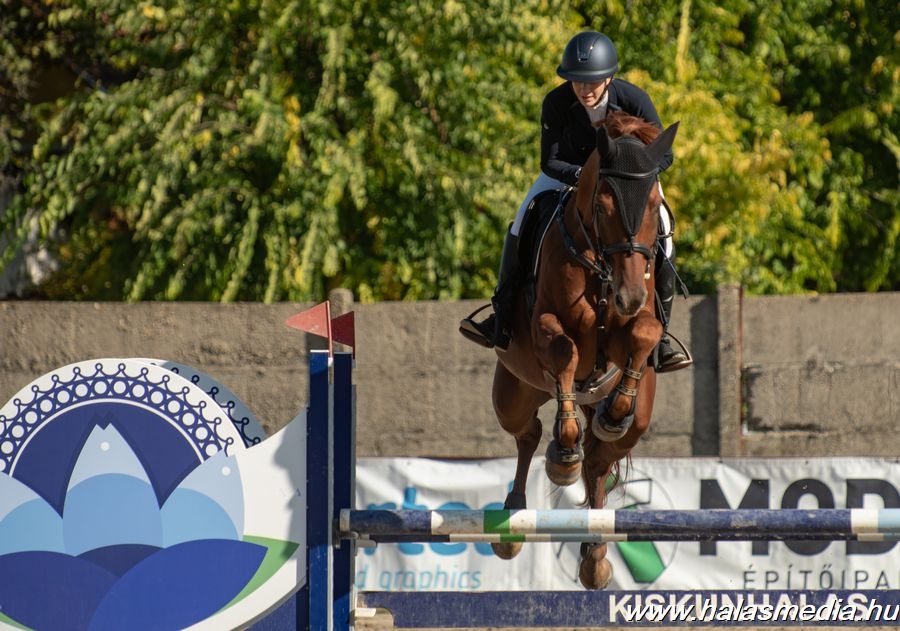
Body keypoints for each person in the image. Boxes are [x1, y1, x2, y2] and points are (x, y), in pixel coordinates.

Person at [459, 30, 692, 373]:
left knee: (665, 227)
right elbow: (550, 161)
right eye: (577, 80)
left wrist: (630, 176)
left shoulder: (634, 100)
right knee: (522, 219)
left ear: (609, 77)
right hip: (569, 175)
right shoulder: (556, 103)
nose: (584, 89)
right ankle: (502, 316)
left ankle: (665, 334)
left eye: (592, 81)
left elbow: (664, 154)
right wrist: (587, 178)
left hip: (628, 181)